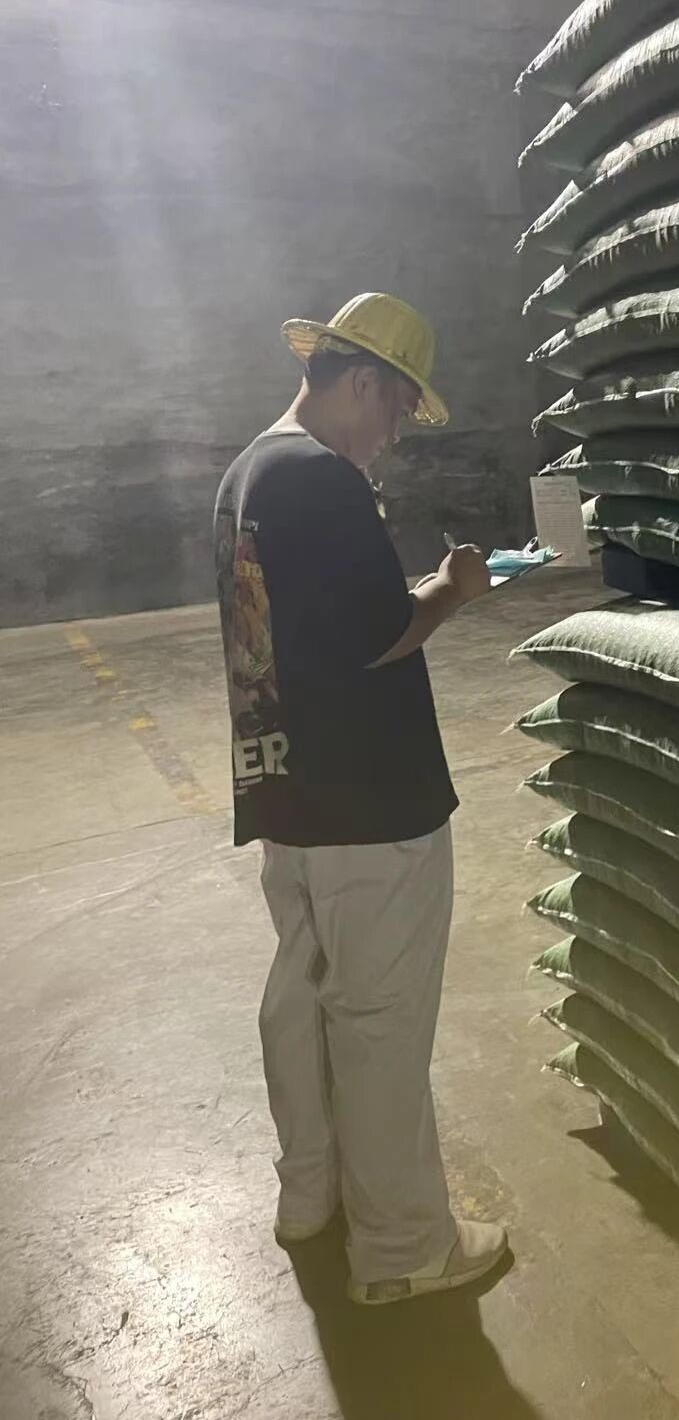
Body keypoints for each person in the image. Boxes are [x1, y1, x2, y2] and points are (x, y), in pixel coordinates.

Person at [212, 291, 508, 1305]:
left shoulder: (248, 472)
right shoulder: (322, 479)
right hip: (373, 803)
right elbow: (380, 634)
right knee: (380, 1022)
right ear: (362, 381)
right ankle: (403, 1248)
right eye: (396, 409)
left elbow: (307, 630)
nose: (393, 435)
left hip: (289, 791)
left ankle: (311, 1193)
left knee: (303, 995)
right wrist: (453, 590)